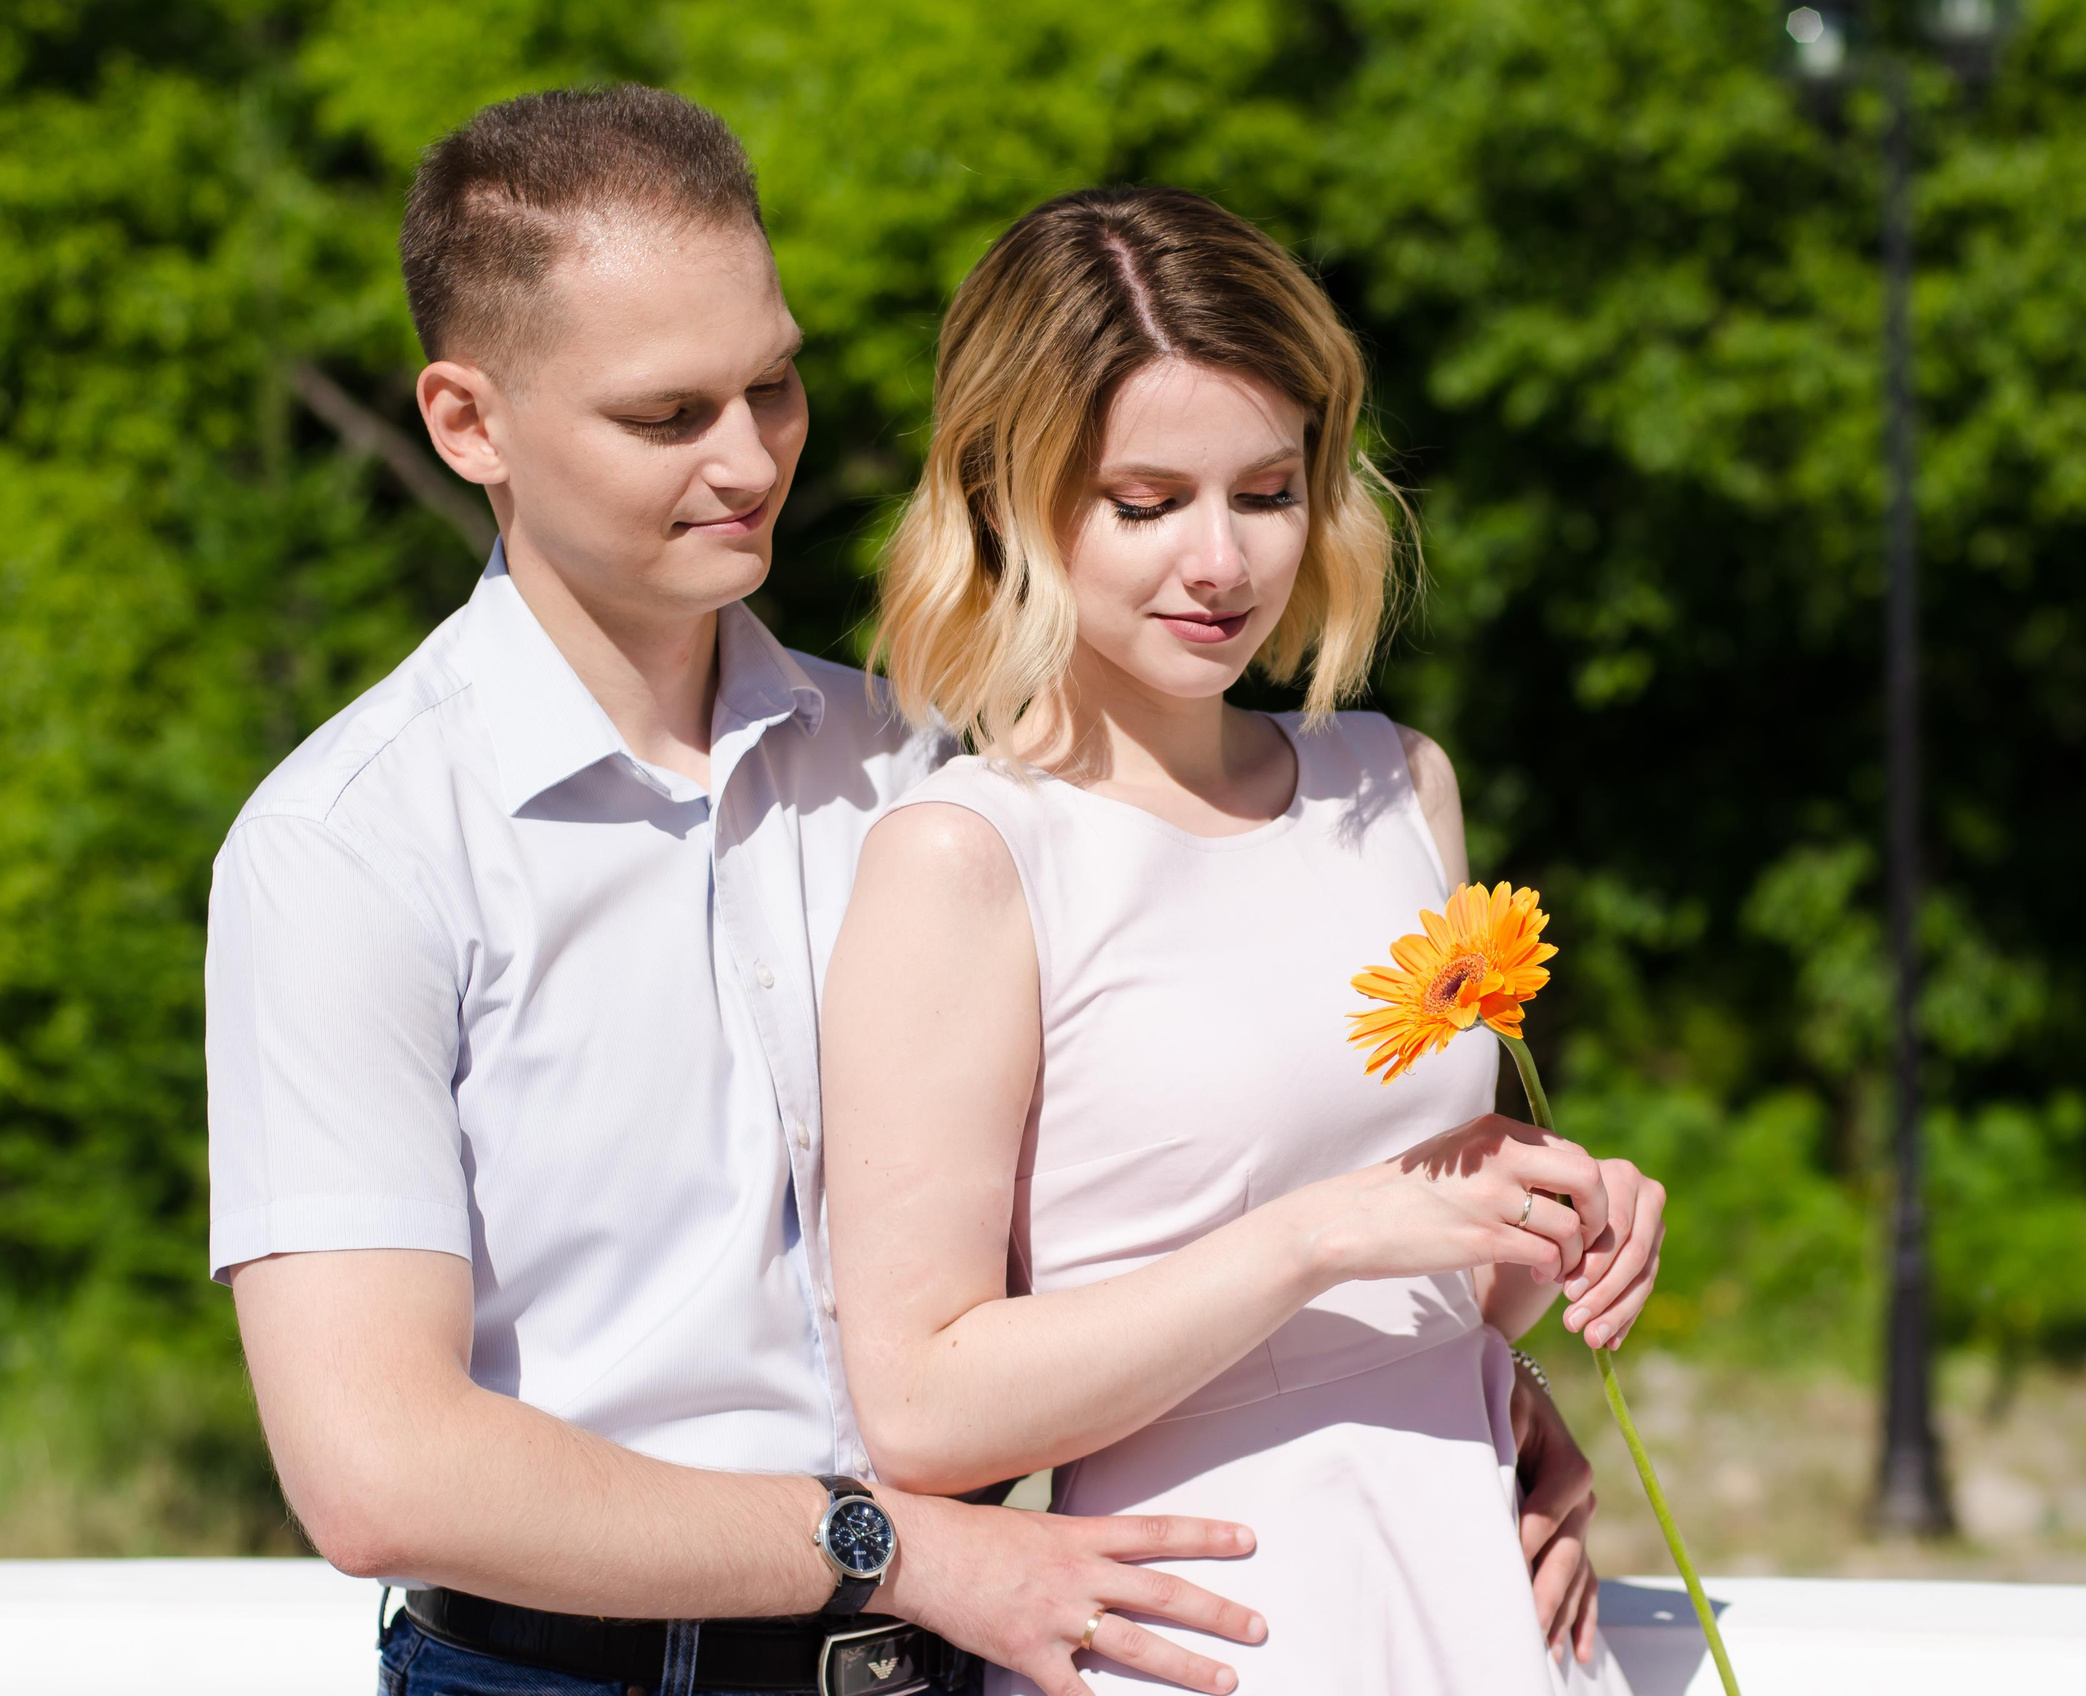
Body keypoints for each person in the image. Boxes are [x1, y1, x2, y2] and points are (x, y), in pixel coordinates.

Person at [207, 88, 1609, 1696]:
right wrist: (887, 1541)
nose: (749, 460)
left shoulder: (917, 763)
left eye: (775, 386)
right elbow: (379, 1474)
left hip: (984, 1652)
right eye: (668, 417)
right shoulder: (348, 846)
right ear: (467, 424)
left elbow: (1137, 1208)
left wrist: (1473, 1397)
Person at [824, 186, 1667, 1696]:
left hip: (1486, 1594)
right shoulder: (966, 857)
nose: (1219, 562)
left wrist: (1558, 1235)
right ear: (1013, 496)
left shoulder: (1397, 786)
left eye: (1265, 493)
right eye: (1144, 504)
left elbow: (1441, 1293)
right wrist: (1322, 1232)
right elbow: (922, 1405)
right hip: (1209, 1632)